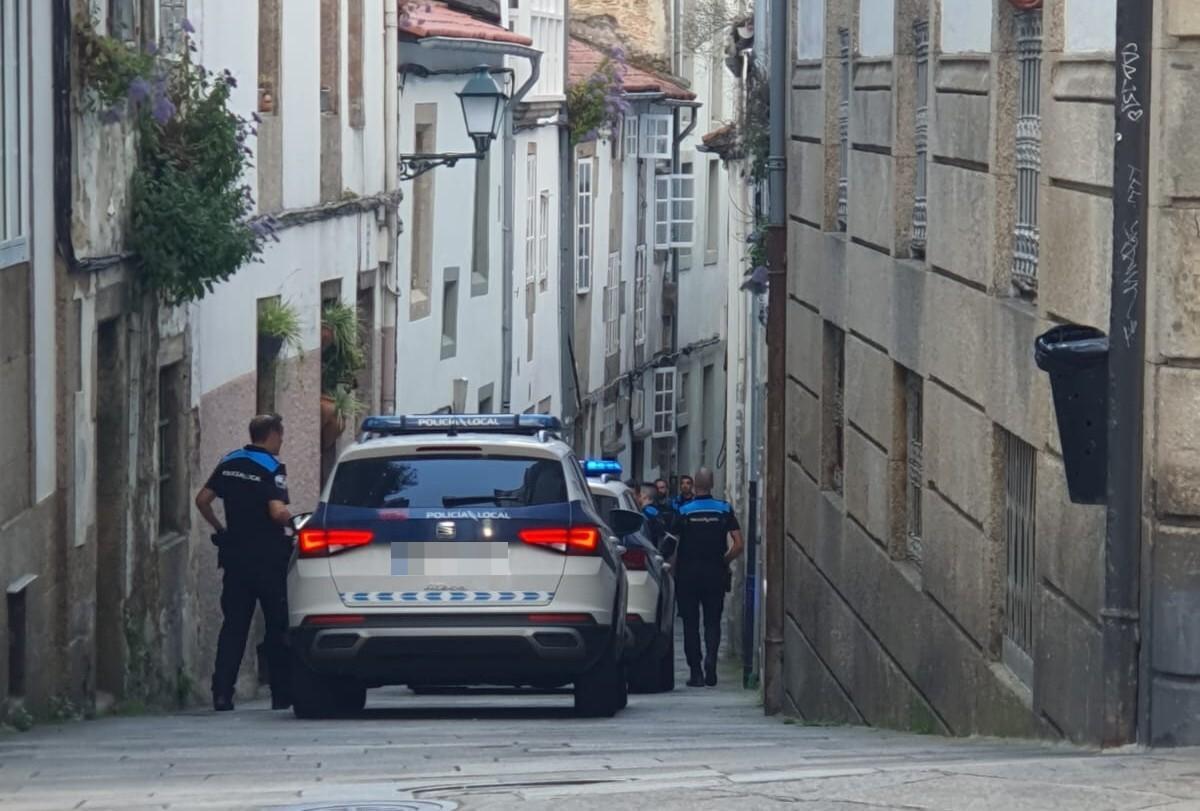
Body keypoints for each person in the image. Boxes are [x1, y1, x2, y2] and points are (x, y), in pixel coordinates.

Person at [195, 414, 294, 712]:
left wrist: (221, 529)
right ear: (273, 434)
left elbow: (202, 499)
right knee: (277, 625)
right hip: (268, 557)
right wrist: (297, 520)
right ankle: (281, 694)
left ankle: (222, 693)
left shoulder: (230, 461)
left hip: (236, 556)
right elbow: (277, 512)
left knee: (234, 626)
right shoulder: (273, 468)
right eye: (281, 435)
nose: (282, 441)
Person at [673, 467, 744, 688]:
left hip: (688, 574)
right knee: (713, 621)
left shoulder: (685, 511)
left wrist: (670, 569)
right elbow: (739, 543)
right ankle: (711, 663)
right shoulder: (724, 509)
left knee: (690, 623)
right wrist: (724, 560)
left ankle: (696, 672)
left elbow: (673, 544)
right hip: (715, 572)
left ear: (694, 484)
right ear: (712, 484)